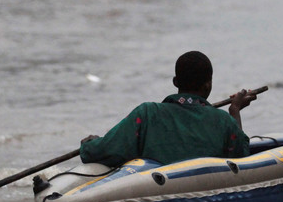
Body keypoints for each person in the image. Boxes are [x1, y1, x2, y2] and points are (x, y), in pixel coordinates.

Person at [79, 51, 257, 167]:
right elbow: (241, 161)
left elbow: (104, 151)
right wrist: (235, 111)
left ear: (175, 82)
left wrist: (89, 144)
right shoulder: (224, 121)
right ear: (208, 85)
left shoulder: (147, 113)